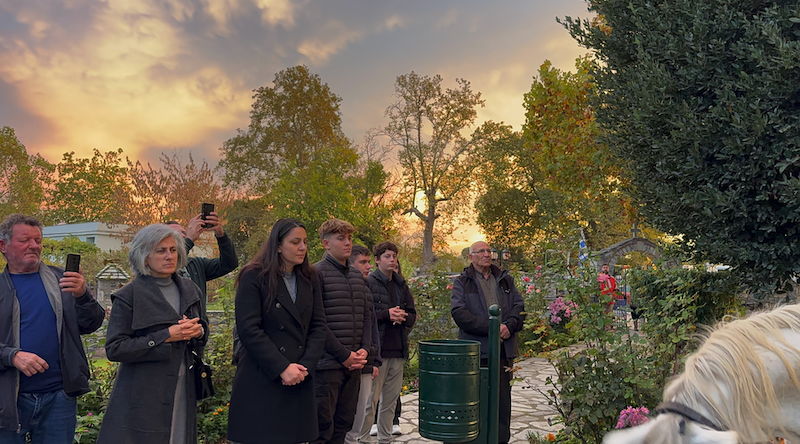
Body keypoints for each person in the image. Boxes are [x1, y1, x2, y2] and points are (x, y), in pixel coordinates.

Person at [97, 224, 208, 444]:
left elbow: (203, 332)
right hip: (142, 396)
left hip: (183, 387)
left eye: (173, 250)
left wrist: (199, 330)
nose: (169, 256)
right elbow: (115, 348)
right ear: (144, 257)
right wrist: (165, 335)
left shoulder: (190, 289)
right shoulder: (128, 295)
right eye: (161, 251)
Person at [0, 214, 105, 444]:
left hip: (58, 396)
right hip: (9, 398)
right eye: (25, 240)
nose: (34, 246)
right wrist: (12, 355)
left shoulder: (62, 279)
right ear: (3, 246)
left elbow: (92, 323)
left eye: (38, 240)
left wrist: (82, 295)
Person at [227, 219, 328, 444]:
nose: (302, 247)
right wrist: (282, 367)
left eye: (305, 242)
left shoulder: (311, 278)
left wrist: (305, 367)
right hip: (262, 377)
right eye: (295, 242)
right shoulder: (253, 276)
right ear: (278, 245)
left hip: (299, 378)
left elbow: (319, 326)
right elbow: (249, 329)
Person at [451, 241, 525, 444]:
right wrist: (492, 328)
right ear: (471, 256)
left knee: (502, 403)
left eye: (488, 251)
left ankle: (500, 441)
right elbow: (460, 314)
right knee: (476, 402)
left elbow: (519, 306)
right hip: (476, 352)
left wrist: (509, 326)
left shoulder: (504, 279)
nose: (487, 254)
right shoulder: (463, 282)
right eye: (481, 251)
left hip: (503, 350)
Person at [312, 219, 372, 444]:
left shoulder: (357, 276)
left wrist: (364, 349)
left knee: (344, 425)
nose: (347, 243)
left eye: (349, 238)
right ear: (326, 244)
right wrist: (343, 355)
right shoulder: (315, 273)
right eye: (341, 238)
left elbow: (367, 316)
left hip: (354, 366)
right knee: (323, 430)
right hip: (327, 366)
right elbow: (316, 322)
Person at [359, 242, 416, 444]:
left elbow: (413, 315)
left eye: (394, 256)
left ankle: (385, 439)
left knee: (390, 402)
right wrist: (386, 314)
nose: (392, 260)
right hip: (378, 352)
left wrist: (403, 317)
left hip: (398, 350)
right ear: (377, 260)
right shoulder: (369, 282)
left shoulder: (401, 284)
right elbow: (364, 315)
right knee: (370, 402)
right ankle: (362, 439)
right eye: (387, 256)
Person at [166, 211, 238, 321]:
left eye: (184, 233)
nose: (183, 236)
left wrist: (220, 234)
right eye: (176, 233)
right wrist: (189, 240)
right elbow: (172, 264)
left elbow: (229, 263)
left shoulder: (197, 265)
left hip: (198, 334)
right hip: (171, 333)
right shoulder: (158, 268)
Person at [344, 245, 381, 444]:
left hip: (365, 361)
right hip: (345, 361)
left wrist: (374, 358)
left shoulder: (366, 289)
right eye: (363, 262)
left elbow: (372, 327)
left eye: (369, 262)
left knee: (357, 422)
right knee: (345, 423)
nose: (369, 266)